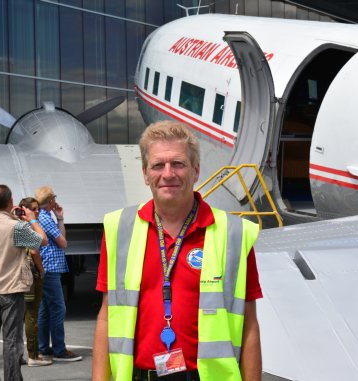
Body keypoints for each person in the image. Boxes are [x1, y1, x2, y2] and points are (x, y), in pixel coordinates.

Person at [92, 120, 263, 381]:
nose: (168, 173)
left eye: (178, 164)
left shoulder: (233, 233)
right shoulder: (119, 229)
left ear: (195, 171)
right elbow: (106, 316)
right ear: (145, 173)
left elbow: (249, 323)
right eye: (158, 165)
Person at [0, 185, 48, 381]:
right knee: (12, 340)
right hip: (12, 287)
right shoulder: (16, 227)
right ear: (10, 202)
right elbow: (42, 241)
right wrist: (31, 219)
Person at [34, 186, 82, 362]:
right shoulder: (45, 220)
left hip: (47, 268)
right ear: (50, 201)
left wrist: (60, 218)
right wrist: (59, 219)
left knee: (45, 309)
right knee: (58, 308)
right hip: (50, 269)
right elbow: (63, 242)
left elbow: (61, 239)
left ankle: (44, 348)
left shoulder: (45, 218)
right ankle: (59, 349)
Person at [19, 197, 52, 367]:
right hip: (30, 275)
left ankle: (19, 354)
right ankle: (33, 355)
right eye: (33, 209)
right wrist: (41, 270)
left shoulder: (15, 225)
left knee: (19, 317)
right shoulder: (27, 226)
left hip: (17, 275)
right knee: (31, 315)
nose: (37, 211)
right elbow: (36, 250)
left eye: (38, 209)